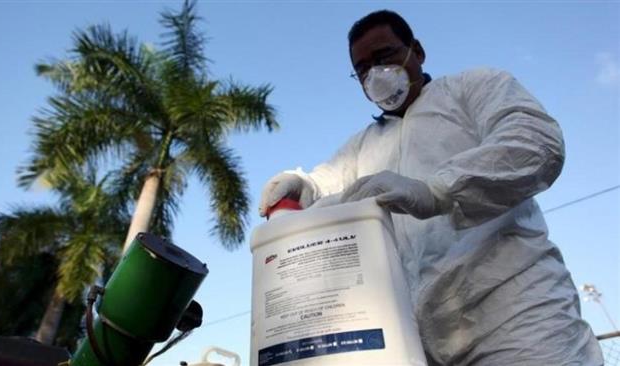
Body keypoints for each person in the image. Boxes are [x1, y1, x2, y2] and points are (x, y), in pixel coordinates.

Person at [258, 9, 604, 366]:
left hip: (516, 315)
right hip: (421, 340)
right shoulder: (363, 146)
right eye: (362, 69)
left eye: (384, 56)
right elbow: (325, 184)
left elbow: (535, 143)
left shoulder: (472, 88)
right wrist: (299, 185)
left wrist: (438, 190)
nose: (374, 74)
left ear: (417, 51)